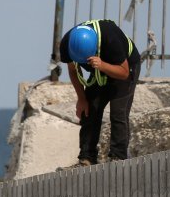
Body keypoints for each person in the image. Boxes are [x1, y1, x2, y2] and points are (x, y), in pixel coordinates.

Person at [59, 19, 141, 165]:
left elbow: (123, 73)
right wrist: (81, 99)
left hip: (124, 68)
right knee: (90, 108)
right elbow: (73, 70)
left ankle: (118, 157)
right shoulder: (67, 43)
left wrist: (102, 65)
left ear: (95, 49)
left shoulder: (110, 38)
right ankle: (86, 157)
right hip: (98, 69)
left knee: (118, 112)